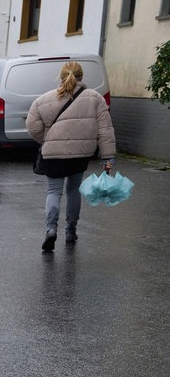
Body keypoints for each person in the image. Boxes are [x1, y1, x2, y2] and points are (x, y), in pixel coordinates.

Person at [27, 61, 116, 251]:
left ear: (61, 77)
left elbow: (32, 126)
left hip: (53, 155)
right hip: (80, 154)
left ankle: (51, 229)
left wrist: (47, 139)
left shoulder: (43, 100)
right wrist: (108, 160)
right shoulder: (95, 98)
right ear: (82, 77)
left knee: (53, 191)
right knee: (74, 190)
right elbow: (105, 130)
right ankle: (70, 230)